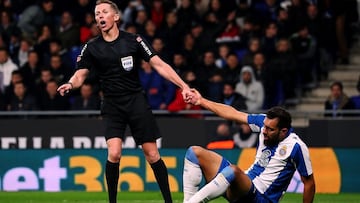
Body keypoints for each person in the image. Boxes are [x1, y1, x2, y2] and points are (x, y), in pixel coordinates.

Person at [57, 1, 193, 203]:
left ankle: (169, 201)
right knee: (114, 153)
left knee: (152, 154)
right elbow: (80, 74)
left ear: (116, 17)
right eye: (97, 13)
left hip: (136, 101)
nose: (99, 16)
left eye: (104, 12)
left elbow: (159, 64)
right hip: (112, 104)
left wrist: (184, 86)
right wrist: (70, 83)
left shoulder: (134, 40)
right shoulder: (92, 46)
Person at [183, 88, 316, 203]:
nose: (264, 131)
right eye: (264, 127)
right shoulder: (263, 123)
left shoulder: (296, 146)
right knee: (194, 152)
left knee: (233, 171)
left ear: (283, 131)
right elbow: (233, 114)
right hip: (244, 188)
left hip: (262, 198)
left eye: (270, 129)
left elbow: (309, 183)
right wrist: (201, 101)